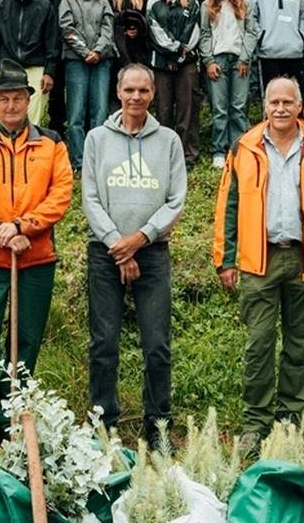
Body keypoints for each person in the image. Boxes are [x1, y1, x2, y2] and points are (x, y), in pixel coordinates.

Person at [214, 77, 304, 453]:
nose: (280, 108)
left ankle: (290, 422)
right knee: (259, 344)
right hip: (260, 259)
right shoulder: (245, 147)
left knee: (298, 346)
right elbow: (228, 206)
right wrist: (224, 259)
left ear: (300, 105)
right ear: (265, 106)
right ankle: (254, 425)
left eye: (288, 101)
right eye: (274, 102)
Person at [0, 59, 72, 466]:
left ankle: (14, 422)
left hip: (37, 256)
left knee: (25, 341)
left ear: (29, 100)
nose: (10, 106)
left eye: (18, 98)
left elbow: (61, 195)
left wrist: (24, 224)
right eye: (3, 99)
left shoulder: (52, 142)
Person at [82, 64, 186, 447]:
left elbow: (176, 199)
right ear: (118, 91)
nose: (136, 97)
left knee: (156, 344)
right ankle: (102, 425)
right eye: (130, 90)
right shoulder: (96, 138)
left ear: (153, 93)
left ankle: (157, 426)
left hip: (153, 253)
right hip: (104, 252)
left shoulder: (169, 141)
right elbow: (90, 197)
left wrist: (140, 239)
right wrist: (118, 245)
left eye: (143, 90)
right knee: (104, 343)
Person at [0, 0, 57, 126]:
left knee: (33, 119)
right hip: (7, 67)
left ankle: (31, 151)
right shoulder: (0, 7)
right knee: (8, 118)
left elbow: (52, 41)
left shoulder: (45, 6)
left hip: (36, 67)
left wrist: (50, 71)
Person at [59, 0, 116, 170]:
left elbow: (108, 30)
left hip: (101, 60)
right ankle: (79, 160)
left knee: (99, 110)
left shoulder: (103, 3)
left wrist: (98, 51)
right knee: (76, 112)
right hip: (76, 61)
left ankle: (98, 160)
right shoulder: (67, 1)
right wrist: (85, 52)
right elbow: (67, 29)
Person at [201, 0, 256, 169]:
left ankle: (239, 147)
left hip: (239, 58)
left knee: (239, 106)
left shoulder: (244, 3)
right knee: (220, 108)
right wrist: (209, 61)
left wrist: (244, 57)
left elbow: (251, 32)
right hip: (218, 59)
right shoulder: (207, 5)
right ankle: (219, 149)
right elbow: (205, 34)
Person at [145, 0, 202, 164]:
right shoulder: (153, 3)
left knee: (187, 108)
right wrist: (171, 53)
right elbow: (154, 31)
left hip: (186, 62)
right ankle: (163, 155)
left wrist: (179, 55)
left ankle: (187, 154)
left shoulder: (193, 2)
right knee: (163, 109)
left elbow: (194, 31)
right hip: (161, 62)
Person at [38, 0, 82, 135]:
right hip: (55, 40)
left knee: (76, 85)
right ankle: (57, 124)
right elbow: (41, 8)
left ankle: (78, 123)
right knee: (56, 86)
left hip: (80, 40)